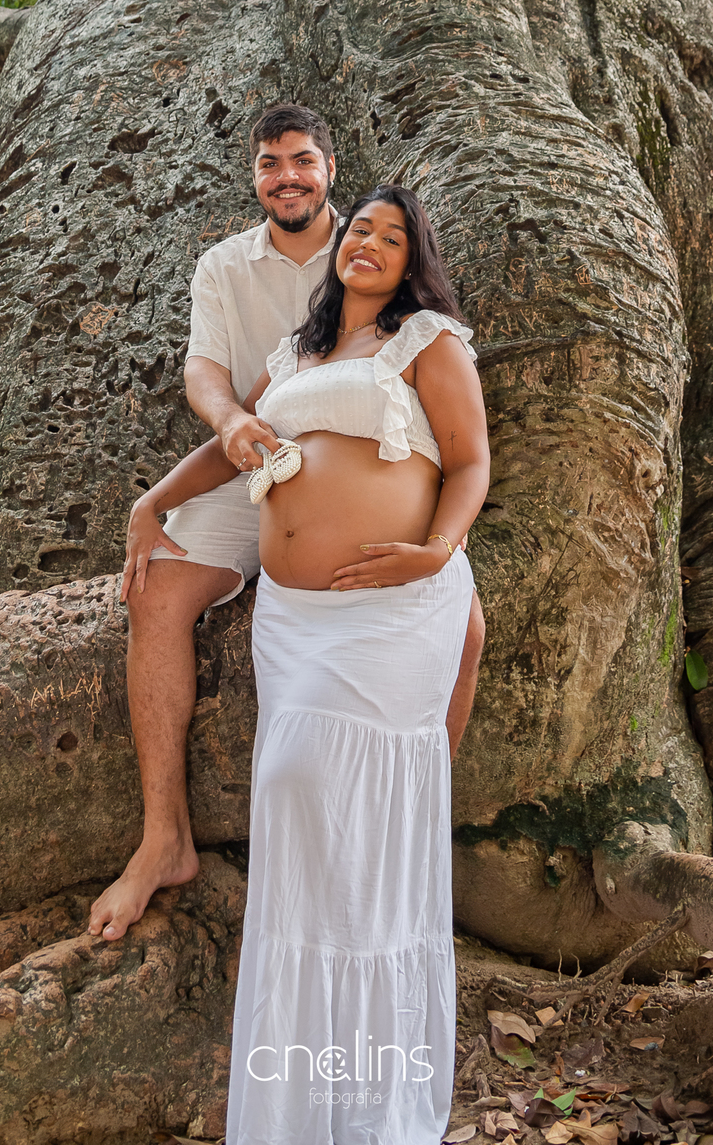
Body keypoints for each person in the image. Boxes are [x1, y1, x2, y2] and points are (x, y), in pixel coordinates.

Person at [121, 186, 490, 1144]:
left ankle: (373, 1108)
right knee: (299, 829)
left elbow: (472, 460)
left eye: (392, 236)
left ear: (413, 261)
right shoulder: (292, 356)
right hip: (293, 622)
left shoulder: (427, 342)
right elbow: (233, 445)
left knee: (334, 809)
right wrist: (151, 502)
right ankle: (301, 1109)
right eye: (359, 229)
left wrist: (441, 550)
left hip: (389, 612)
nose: (368, 243)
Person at [89, 115, 487, 940]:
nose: (288, 177)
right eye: (271, 164)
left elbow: (463, 454)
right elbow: (204, 371)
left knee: (463, 623)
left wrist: (439, 549)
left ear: (330, 170)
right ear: (255, 175)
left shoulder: (391, 284)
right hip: (256, 462)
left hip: (389, 503)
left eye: (303, 161)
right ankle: (163, 838)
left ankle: (412, 841)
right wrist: (170, 482)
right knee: (156, 591)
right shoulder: (237, 278)